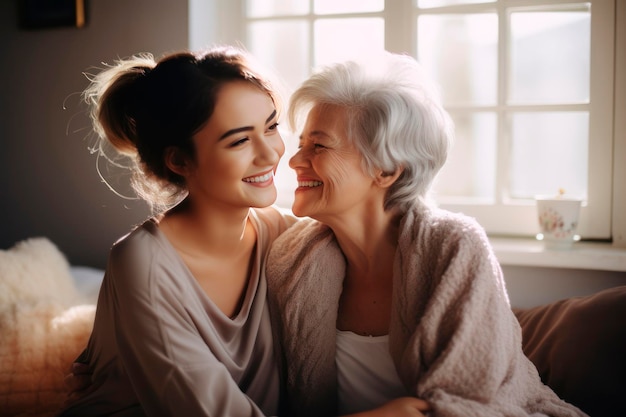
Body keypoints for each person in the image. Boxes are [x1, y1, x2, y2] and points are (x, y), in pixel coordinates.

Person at [58, 45, 430, 417]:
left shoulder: (289, 238)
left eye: (270, 127)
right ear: (179, 160)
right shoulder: (142, 261)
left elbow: (385, 231)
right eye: (239, 140)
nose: (271, 154)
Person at [265, 52, 588, 417]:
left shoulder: (454, 246)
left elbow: (468, 404)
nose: (294, 160)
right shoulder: (290, 258)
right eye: (301, 143)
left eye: (319, 145)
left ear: (386, 170)